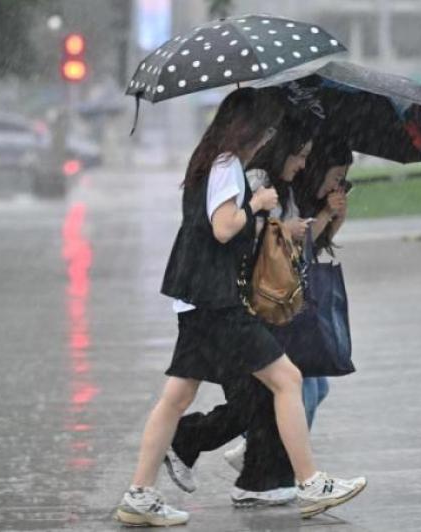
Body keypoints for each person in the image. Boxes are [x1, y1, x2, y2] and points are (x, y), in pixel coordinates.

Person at [115, 88, 366, 527]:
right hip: (216, 299)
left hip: (194, 297)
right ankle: (311, 482)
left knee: (176, 397)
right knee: (287, 379)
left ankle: (139, 493)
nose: (270, 137)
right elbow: (223, 227)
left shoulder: (206, 161)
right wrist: (258, 205)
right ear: (249, 127)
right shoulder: (227, 165)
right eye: (267, 128)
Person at [167, 132, 360, 508]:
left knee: (276, 391)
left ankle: (266, 470)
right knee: (263, 393)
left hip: (250, 306)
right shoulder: (244, 177)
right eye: (300, 153)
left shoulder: (277, 188)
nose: (303, 162)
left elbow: (301, 248)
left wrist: (329, 215)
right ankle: (270, 469)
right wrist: (270, 219)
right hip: (232, 306)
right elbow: (232, 235)